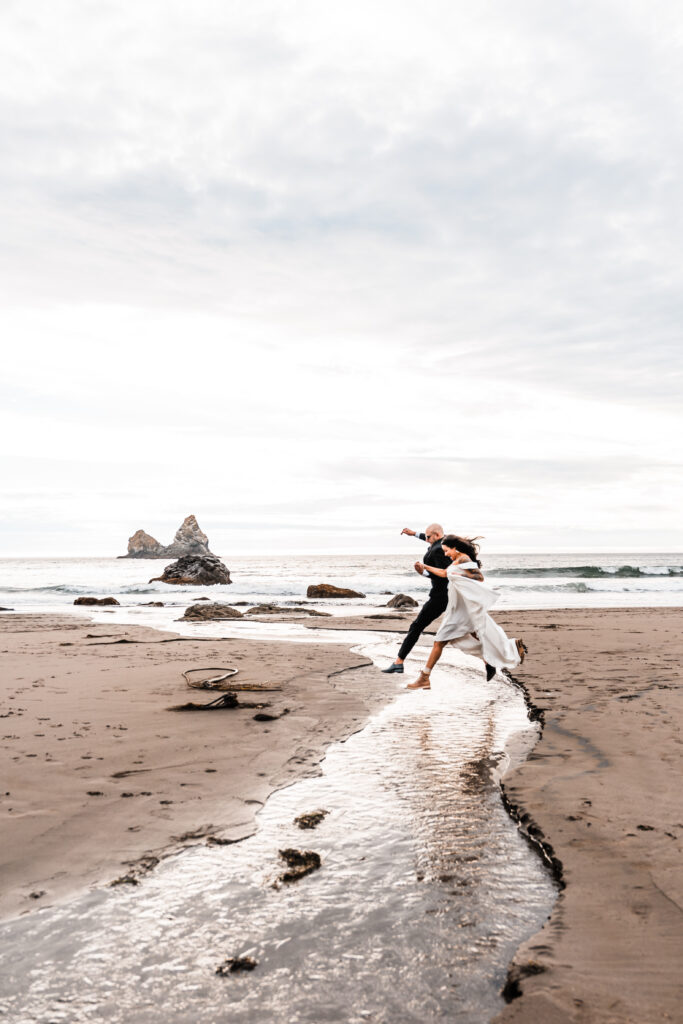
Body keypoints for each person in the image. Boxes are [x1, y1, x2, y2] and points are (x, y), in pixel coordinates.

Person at [405, 534, 527, 690]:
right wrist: (424, 567)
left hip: (460, 610)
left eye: (447, 550)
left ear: (455, 548)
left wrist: (462, 575)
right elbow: (444, 573)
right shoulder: (456, 560)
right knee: (470, 636)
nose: (446, 554)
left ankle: (424, 678)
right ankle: (500, 654)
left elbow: (479, 577)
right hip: (458, 607)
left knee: (440, 641)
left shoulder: (464, 559)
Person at [382, 523, 481, 674]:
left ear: (436, 536)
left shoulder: (437, 551)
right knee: (471, 629)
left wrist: (422, 571)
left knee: (417, 626)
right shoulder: (444, 542)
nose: (426, 539)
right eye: (426, 536)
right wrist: (414, 533)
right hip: (451, 595)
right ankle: (491, 658)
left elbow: (444, 575)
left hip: (440, 596)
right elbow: (429, 539)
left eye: (428, 536)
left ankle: (399, 662)